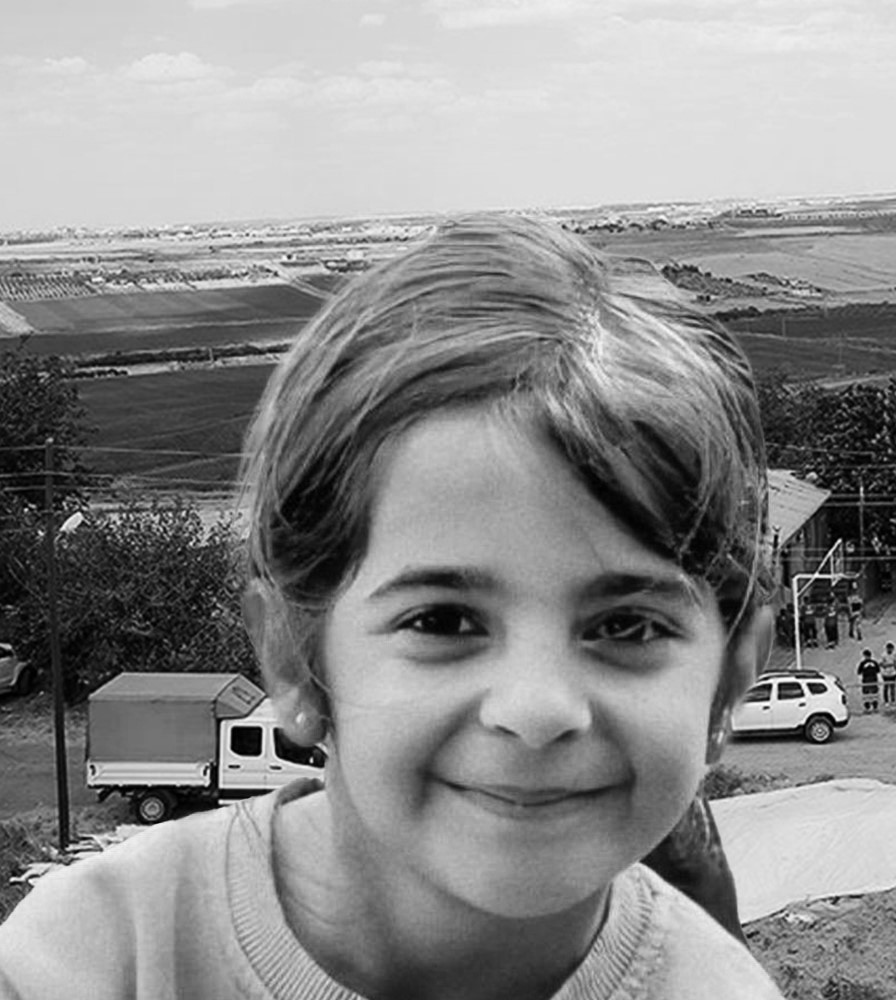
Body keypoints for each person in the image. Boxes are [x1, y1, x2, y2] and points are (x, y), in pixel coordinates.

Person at [0, 217, 786, 999]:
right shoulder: (92, 961)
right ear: (295, 660)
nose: (538, 709)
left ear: (730, 676)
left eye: (628, 627)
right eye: (442, 620)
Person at [855, 648, 881, 714]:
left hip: (866, 681)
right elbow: (878, 671)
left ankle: (868, 707)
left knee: (866, 694)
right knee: (874, 693)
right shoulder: (874, 662)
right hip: (873, 680)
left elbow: (859, 672)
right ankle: (874, 707)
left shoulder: (862, 663)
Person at [878, 642, 896, 707]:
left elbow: (895, 663)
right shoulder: (883, 655)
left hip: (893, 673)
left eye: (891, 649)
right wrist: (888, 665)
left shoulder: (894, 655)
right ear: (886, 649)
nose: (890, 650)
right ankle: (886, 701)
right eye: (889, 649)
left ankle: (893, 700)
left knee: (892, 688)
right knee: (886, 688)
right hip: (886, 674)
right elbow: (881, 664)